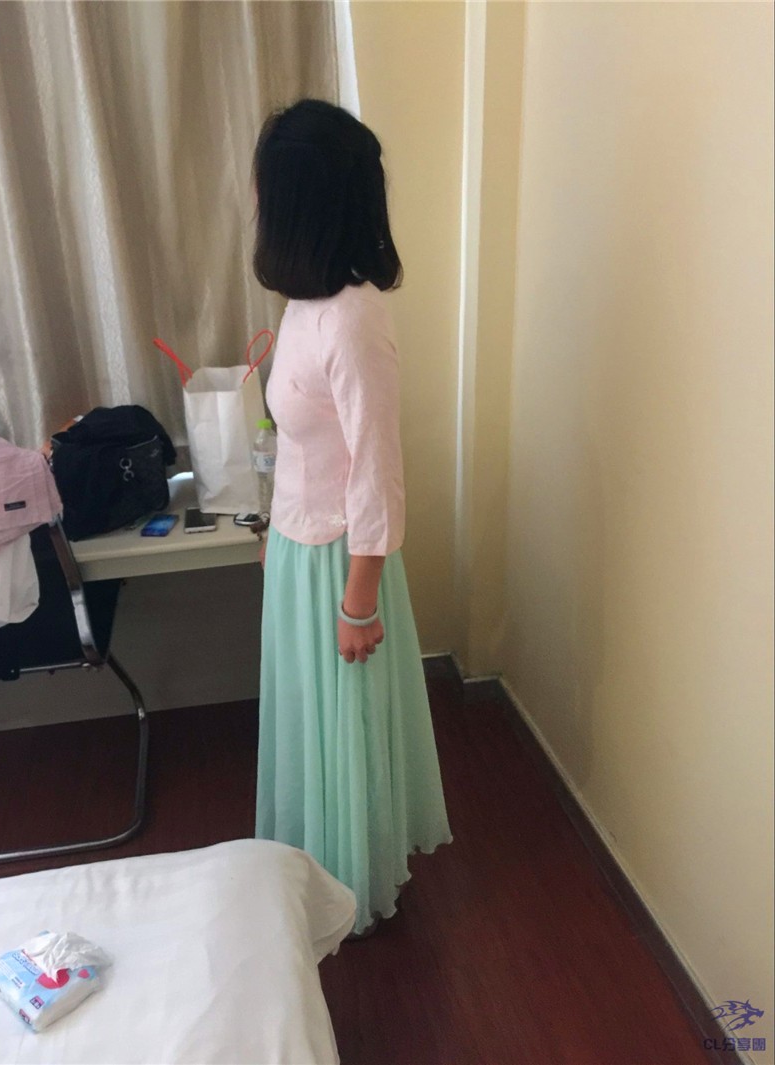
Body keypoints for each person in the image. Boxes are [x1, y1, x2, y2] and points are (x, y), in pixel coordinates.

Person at [252, 99, 452, 938]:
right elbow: (307, 443)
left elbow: (377, 468)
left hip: (345, 562)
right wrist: (275, 536)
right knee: (313, 721)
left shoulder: (354, 317)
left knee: (348, 726)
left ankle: (352, 883)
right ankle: (316, 865)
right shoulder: (306, 304)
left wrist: (359, 600)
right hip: (302, 549)